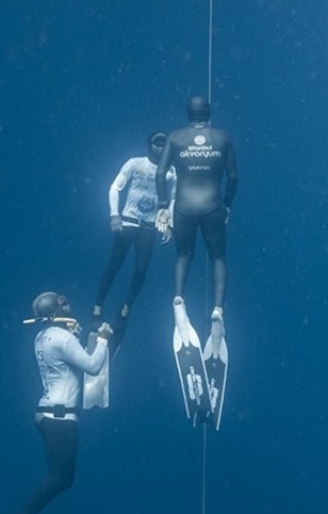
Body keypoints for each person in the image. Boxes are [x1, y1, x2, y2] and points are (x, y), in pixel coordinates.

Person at [0, 292, 110, 514]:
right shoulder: (62, 338)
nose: (70, 306)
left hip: (47, 414)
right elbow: (92, 366)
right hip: (61, 417)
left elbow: (64, 363)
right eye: (65, 304)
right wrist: (102, 340)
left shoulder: (43, 336)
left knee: (62, 477)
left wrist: (75, 337)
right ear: (58, 311)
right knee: (60, 477)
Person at [155, 96, 237, 325]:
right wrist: (227, 204)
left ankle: (179, 299)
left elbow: (160, 174)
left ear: (187, 114)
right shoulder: (222, 137)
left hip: (183, 206)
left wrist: (163, 206)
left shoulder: (175, 136)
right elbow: (233, 177)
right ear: (209, 112)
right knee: (218, 257)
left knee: (183, 254)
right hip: (213, 206)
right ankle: (218, 309)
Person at [91, 132, 177, 350]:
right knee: (114, 266)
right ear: (149, 145)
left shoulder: (171, 172)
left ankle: (125, 308)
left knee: (141, 270)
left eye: (164, 144)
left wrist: (170, 224)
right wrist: (114, 215)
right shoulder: (135, 164)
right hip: (127, 223)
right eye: (157, 143)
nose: (160, 147)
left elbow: (173, 199)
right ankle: (97, 308)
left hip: (149, 227)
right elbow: (114, 187)